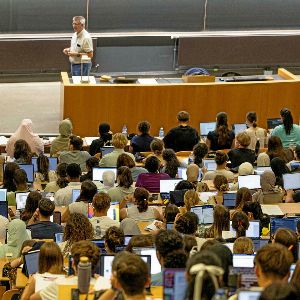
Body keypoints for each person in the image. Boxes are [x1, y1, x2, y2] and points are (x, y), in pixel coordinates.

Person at [31, 240, 110, 300]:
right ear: (96, 265)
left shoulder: (60, 284)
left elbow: (33, 298)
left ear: (73, 264)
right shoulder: (106, 286)